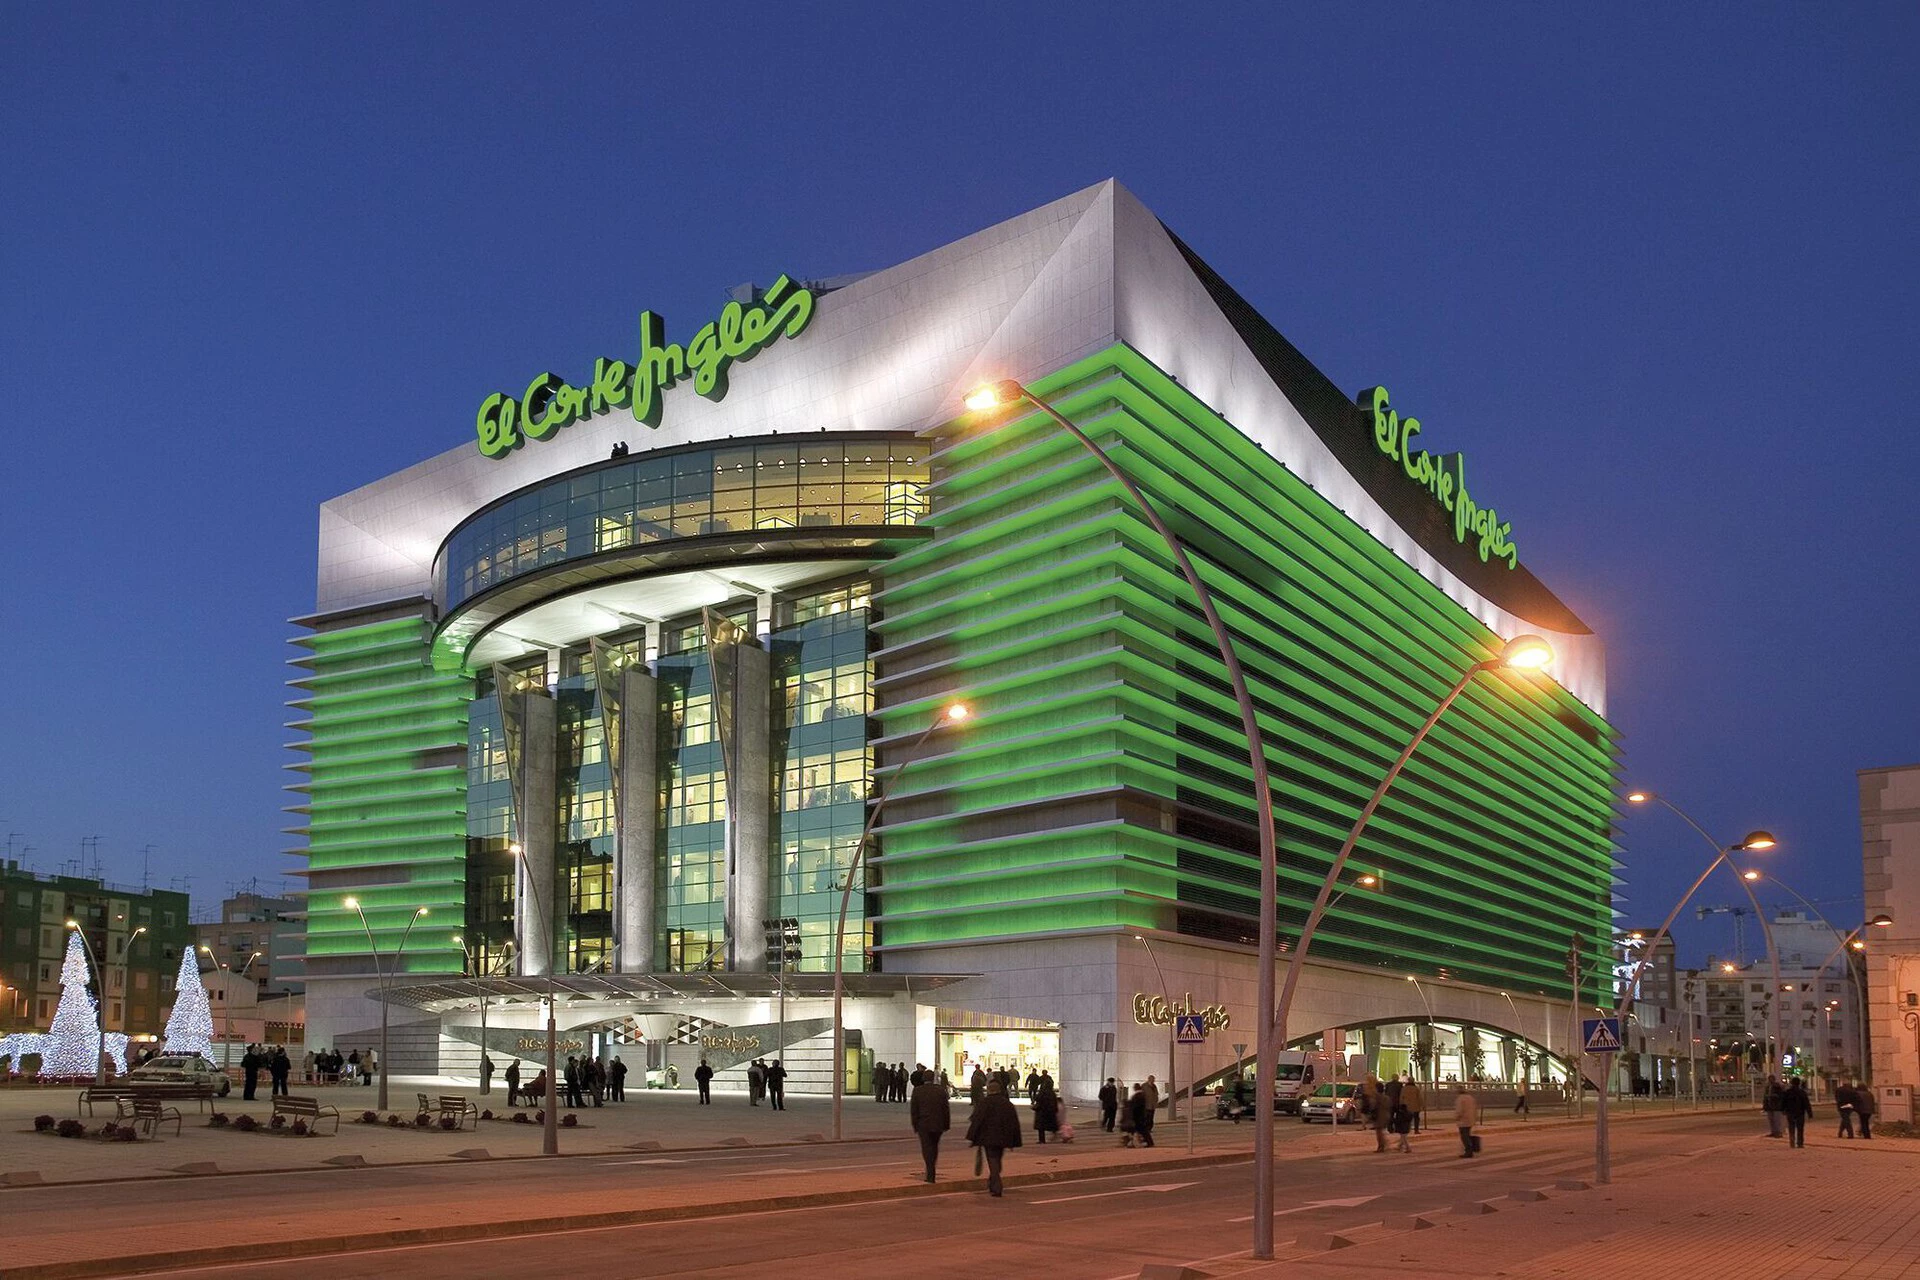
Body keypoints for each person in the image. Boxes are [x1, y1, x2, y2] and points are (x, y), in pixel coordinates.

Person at [965, 1076, 1023, 1197]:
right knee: (997, 1159)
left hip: (988, 1138)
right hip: (1003, 1137)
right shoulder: (1007, 1104)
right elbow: (1014, 1123)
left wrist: (972, 1137)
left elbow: (976, 1120)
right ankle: (993, 1182)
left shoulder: (984, 1103)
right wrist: (1014, 1140)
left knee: (992, 1160)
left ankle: (996, 1186)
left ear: (989, 1090)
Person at [910, 1067, 951, 1182]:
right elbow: (945, 1109)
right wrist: (946, 1124)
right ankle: (931, 1168)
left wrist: (915, 1125)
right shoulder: (940, 1090)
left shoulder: (918, 1091)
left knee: (927, 1148)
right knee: (934, 1147)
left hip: (924, 1124)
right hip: (938, 1123)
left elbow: (914, 1110)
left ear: (923, 1078)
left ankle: (930, 1171)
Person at [1361, 1075, 1389, 1153]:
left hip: (1379, 1115)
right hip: (1384, 1115)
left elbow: (1373, 1104)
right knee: (1380, 1131)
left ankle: (1381, 1146)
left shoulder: (1377, 1096)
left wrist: (1371, 1110)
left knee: (1379, 1132)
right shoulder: (1385, 1097)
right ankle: (1383, 1144)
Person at [1782, 1077, 1812, 1148]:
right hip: (1800, 1113)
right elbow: (1806, 1103)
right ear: (1799, 1083)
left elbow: (1783, 1102)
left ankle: (1792, 1142)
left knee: (1791, 1127)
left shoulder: (1788, 1092)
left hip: (1790, 1112)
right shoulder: (1802, 1092)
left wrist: (1783, 1110)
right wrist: (1809, 1113)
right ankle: (1800, 1143)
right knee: (1800, 1128)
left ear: (1791, 1083)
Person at [1032, 1076, 1060, 1143]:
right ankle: (1055, 1133)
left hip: (1042, 1111)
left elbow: (1037, 1098)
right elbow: (1055, 1103)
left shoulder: (1043, 1092)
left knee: (1041, 1127)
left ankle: (1042, 1140)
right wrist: (1055, 1110)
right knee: (1052, 1125)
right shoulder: (1052, 1093)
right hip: (1050, 1112)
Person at [1454, 1087, 1480, 1158]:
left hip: (1463, 1121)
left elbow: (1459, 1110)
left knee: (1464, 1136)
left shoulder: (1460, 1099)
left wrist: (1456, 1117)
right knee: (1467, 1135)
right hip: (1470, 1120)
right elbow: (1475, 1109)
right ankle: (1469, 1149)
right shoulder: (1471, 1098)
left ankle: (1468, 1151)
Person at [1129, 1081, 1155, 1147]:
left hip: (1138, 1116)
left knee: (1142, 1130)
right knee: (1139, 1130)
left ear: (1135, 1088)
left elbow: (1135, 1107)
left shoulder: (1137, 1096)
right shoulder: (1142, 1095)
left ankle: (1149, 1142)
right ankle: (1134, 1142)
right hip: (1141, 1115)